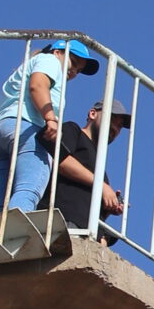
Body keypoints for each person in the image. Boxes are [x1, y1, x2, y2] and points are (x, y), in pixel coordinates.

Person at [0, 39, 101, 216]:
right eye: (74, 63)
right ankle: (15, 232)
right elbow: (37, 85)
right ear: (57, 52)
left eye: (79, 70)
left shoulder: (32, 63)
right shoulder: (49, 60)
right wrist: (50, 118)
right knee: (28, 191)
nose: (74, 71)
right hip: (26, 129)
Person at [44, 95, 132, 237]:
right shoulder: (73, 130)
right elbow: (60, 161)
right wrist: (101, 186)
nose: (115, 128)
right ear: (92, 114)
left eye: (120, 126)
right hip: (63, 221)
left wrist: (108, 207)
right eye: (112, 118)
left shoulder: (100, 168)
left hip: (85, 232)